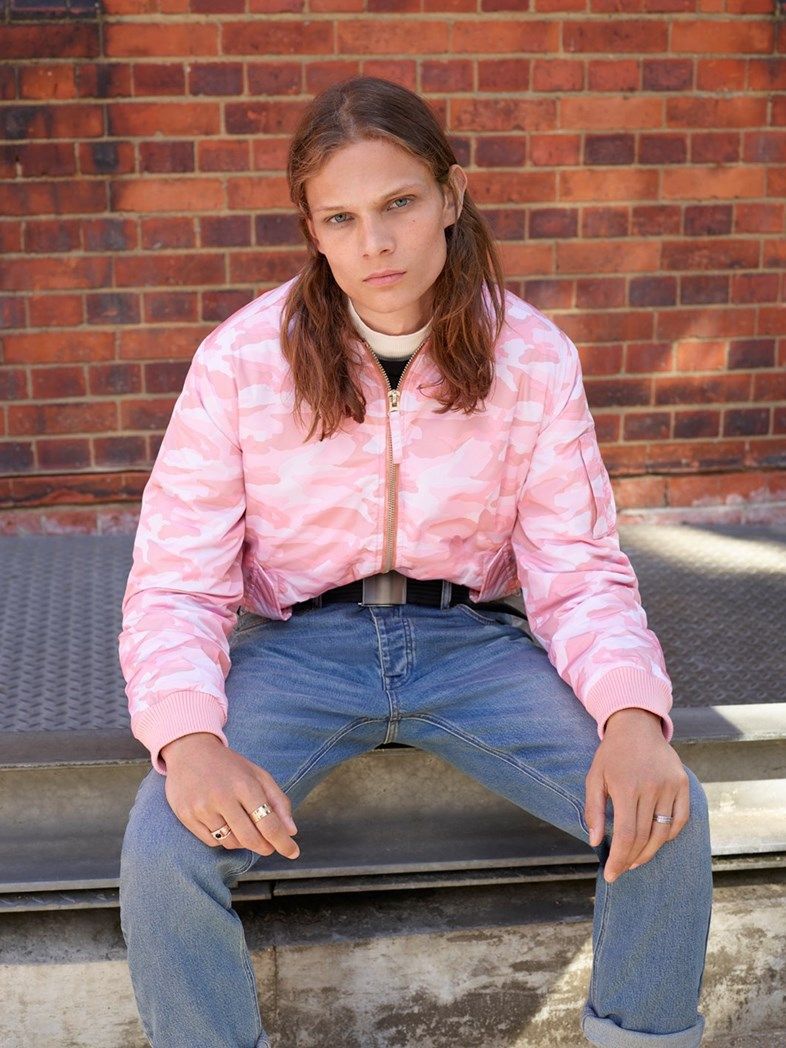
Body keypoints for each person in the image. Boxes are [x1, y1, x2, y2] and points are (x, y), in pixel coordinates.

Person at [117, 75, 713, 1048]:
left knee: (666, 812)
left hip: (469, 644)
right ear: (313, 231)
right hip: (300, 650)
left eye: (398, 202)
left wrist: (634, 718)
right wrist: (187, 740)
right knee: (162, 852)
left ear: (451, 194)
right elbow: (177, 581)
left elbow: (577, 569)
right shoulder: (241, 361)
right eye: (341, 218)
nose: (376, 243)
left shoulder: (532, 358)